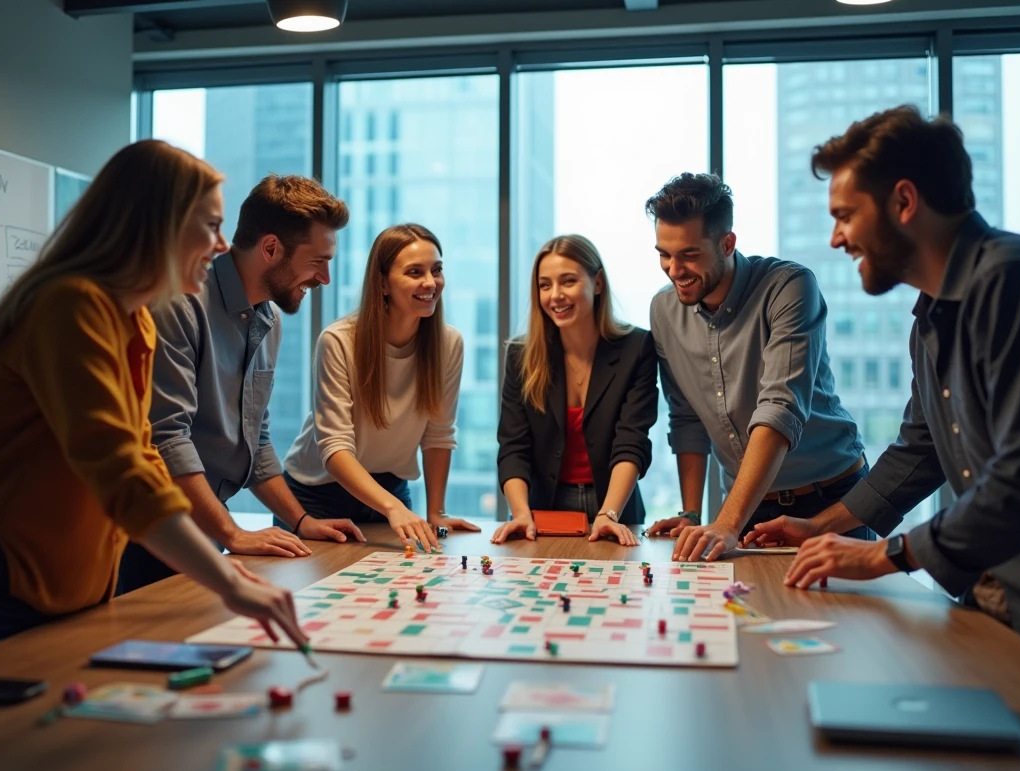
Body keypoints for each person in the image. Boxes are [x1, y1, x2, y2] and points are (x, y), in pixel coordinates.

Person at [746, 105, 1020, 696]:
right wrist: (821, 527)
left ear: (904, 202)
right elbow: (919, 450)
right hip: (998, 598)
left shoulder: (1018, 283)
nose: (836, 237)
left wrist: (882, 558)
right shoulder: (931, 315)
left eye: (846, 215)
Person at [0, 140, 308, 667]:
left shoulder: (137, 321)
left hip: (68, 588)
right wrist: (226, 575)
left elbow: (146, 456)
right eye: (210, 225)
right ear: (159, 223)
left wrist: (226, 561)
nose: (222, 245)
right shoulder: (72, 304)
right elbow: (119, 467)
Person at [117, 175, 363, 594]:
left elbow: (256, 438)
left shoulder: (269, 320)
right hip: (149, 535)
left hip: (208, 527)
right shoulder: (181, 304)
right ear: (270, 248)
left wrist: (301, 520)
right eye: (318, 261)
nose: (324, 279)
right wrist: (232, 533)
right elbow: (168, 438)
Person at [643, 173, 871, 562]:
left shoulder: (790, 286)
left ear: (727, 244)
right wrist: (692, 513)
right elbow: (687, 421)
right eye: (664, 254)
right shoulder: (664, 310)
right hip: (747, 508)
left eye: (689, 255)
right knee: (745, 622)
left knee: (841, 622)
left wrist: (728, 523)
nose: (674, 269)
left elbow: (779, 409)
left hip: (830, 500)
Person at [281, 223, 478, 553]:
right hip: (316, 496)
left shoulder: (450, 343)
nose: (430, 282)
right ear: (383, 283)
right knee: (323, 601)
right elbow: (334, 446)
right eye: (415, 272)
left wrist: (436, 512)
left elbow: (439, 434)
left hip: (391, 492)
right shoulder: (338, 340)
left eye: (437, 270)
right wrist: (393, 508)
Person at [493, 235, 658, 546]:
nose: (555, 295)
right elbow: (513, 447)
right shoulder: (521, 355)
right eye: (545, 285)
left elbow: (632, 441)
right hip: (542, 512)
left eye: (568, 281)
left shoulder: (637, 347)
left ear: (597, 283)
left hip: (616, 508)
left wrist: (608, 513)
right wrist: (520, 513)